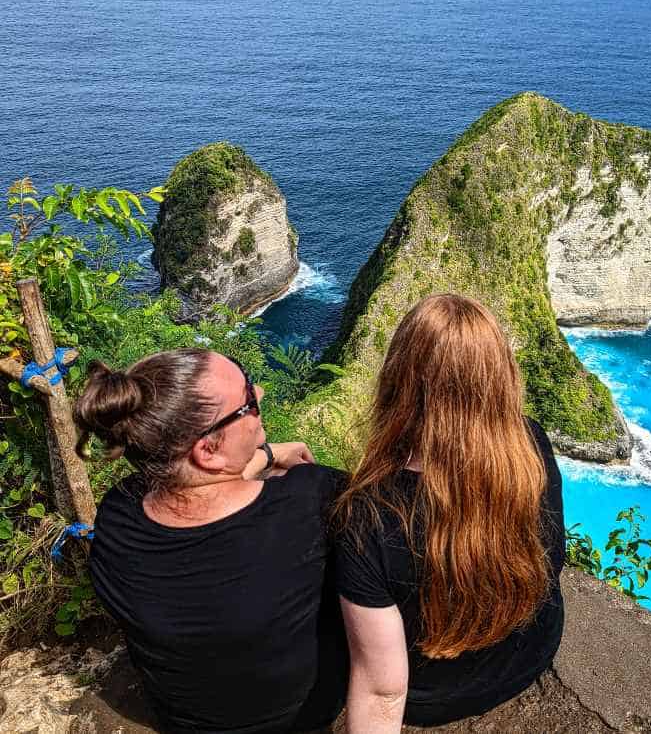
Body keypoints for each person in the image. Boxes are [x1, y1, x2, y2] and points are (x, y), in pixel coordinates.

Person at [74, 349, 348, 734]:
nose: (261, 393)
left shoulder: (121, 511)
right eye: (248, 401)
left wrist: (263, 456)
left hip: (184, 718)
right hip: (298, 718)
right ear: (208, 449)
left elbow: (211, 489)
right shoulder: (310, 499)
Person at [333, 294, 566, 733]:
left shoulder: (370, 516)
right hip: (528, 655)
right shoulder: (530, 445)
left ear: (398, 379)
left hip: (430, 694)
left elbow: (382, 691)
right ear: (499, 376)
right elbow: (553, 557)